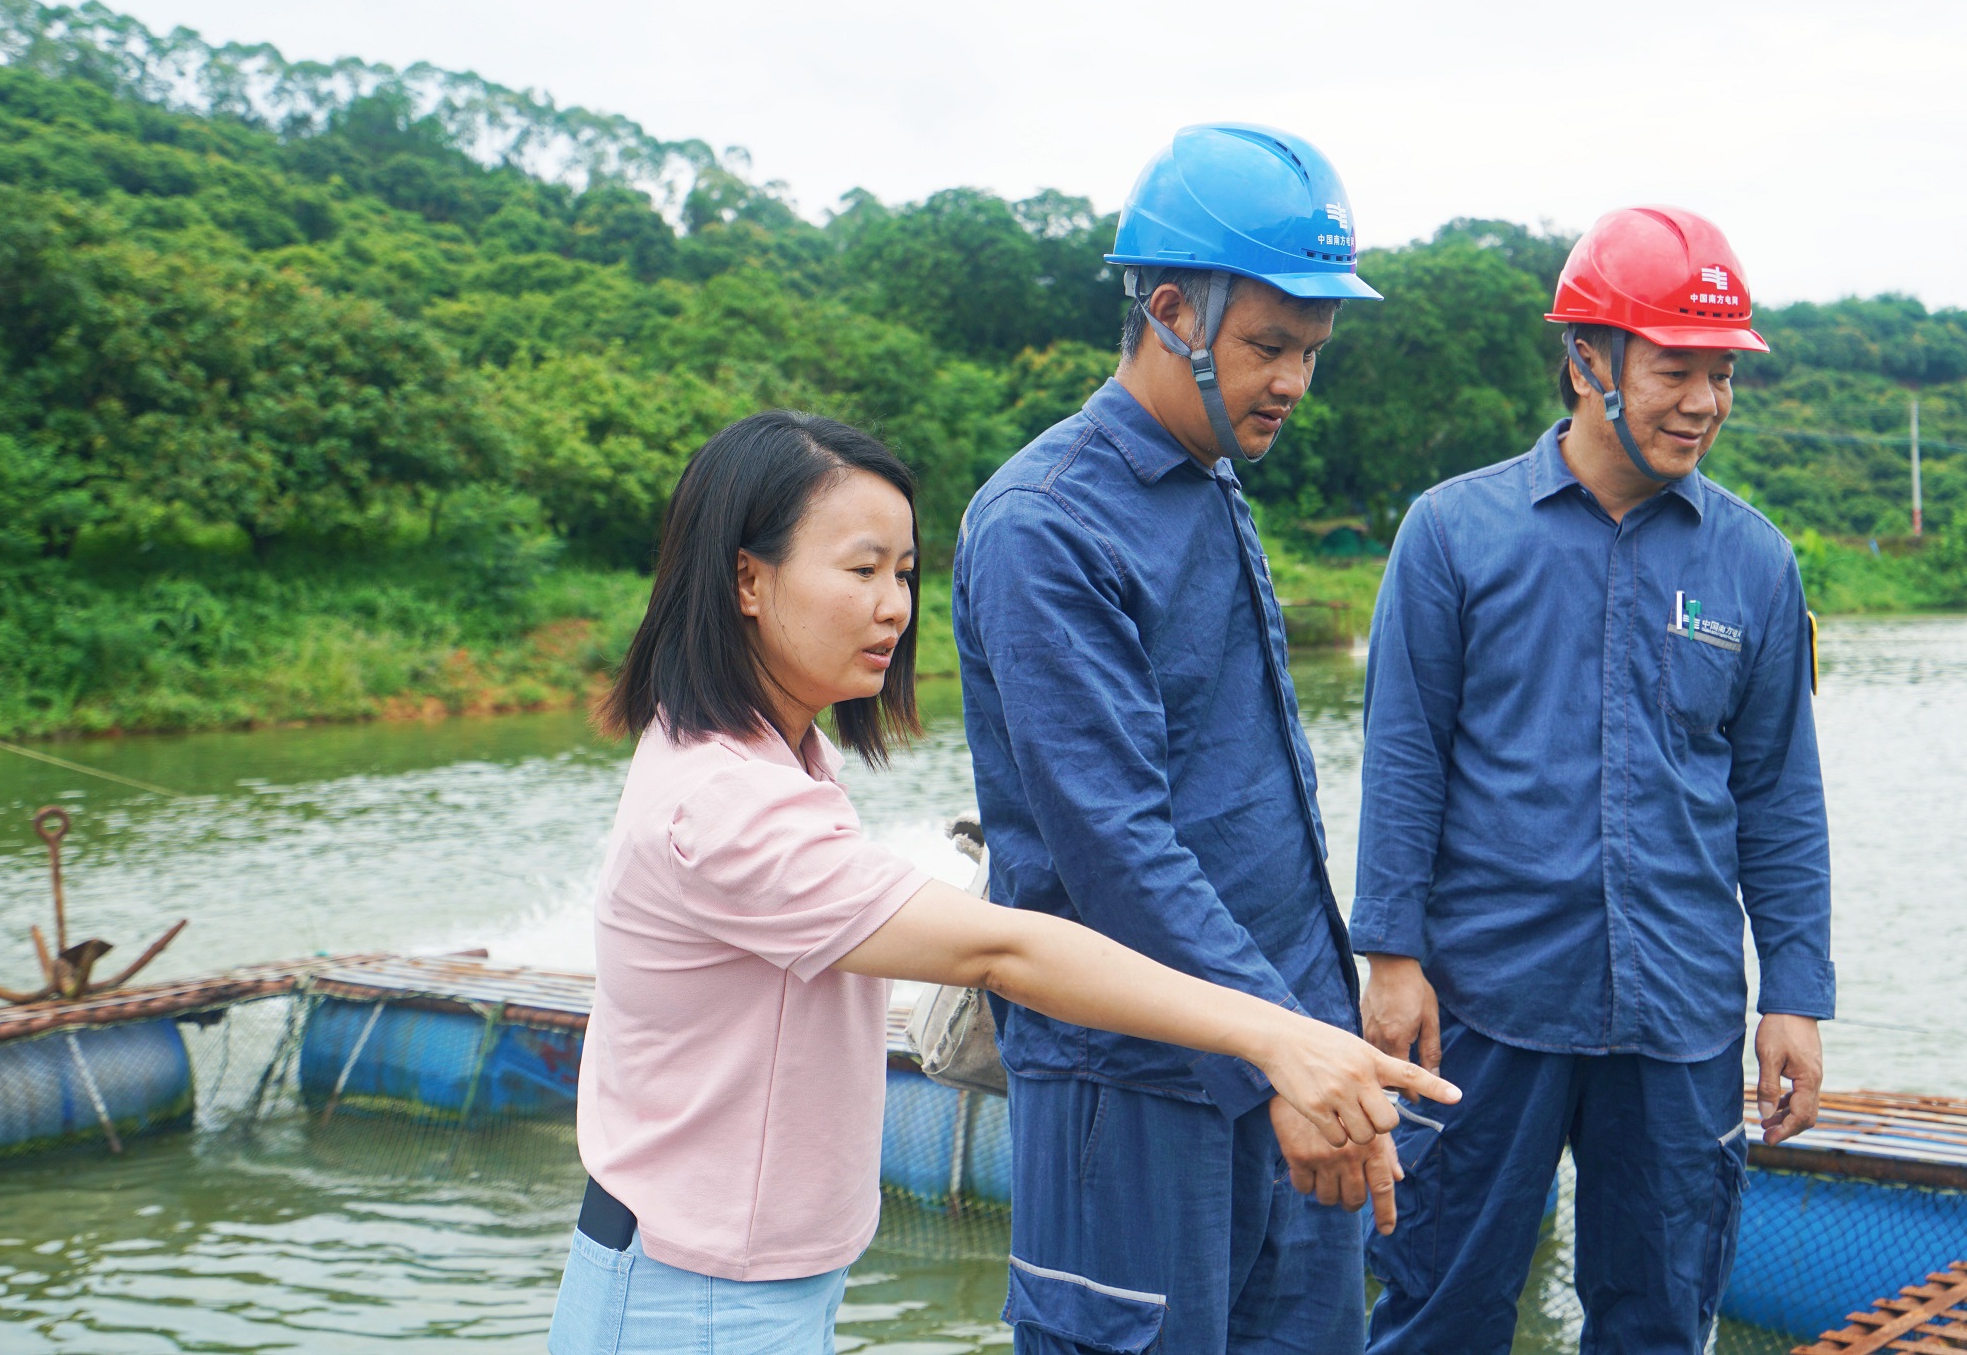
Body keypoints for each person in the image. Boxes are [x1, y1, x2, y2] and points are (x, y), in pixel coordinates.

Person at [553, 409, 1453, 1355]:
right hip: (688, 1297)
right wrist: (1277, 1033)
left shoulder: (771, 757)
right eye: (861, 571)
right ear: (747, 577)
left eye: (905, 573)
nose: (895, 607)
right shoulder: (726, 804)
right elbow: (1005, 946)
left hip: (745, 1274)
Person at [1351, 207, 1834, 1355]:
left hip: (1678, 1012)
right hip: (1483, 1000)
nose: (1705, 402)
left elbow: (1777, 794)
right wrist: (1391, 955)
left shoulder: (1754, 562)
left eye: (1722, 373)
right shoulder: (1454, 535)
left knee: (1660, 1319)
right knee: (1441, 1307)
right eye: (1677, 368)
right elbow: (1405, 756)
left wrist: (1797, 992)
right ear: (1587, 360)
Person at [952, 124, 1388, 1355]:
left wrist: (1327, 1039)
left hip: (1286, 1047)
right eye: (1268, 346)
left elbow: (1257, 805)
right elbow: (1115, 847)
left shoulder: (1209, 479)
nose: (1294, 382)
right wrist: (1283, 1050)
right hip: (1132, 1081)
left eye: (1311, 350)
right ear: (1168, 310)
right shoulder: (1047, 524)